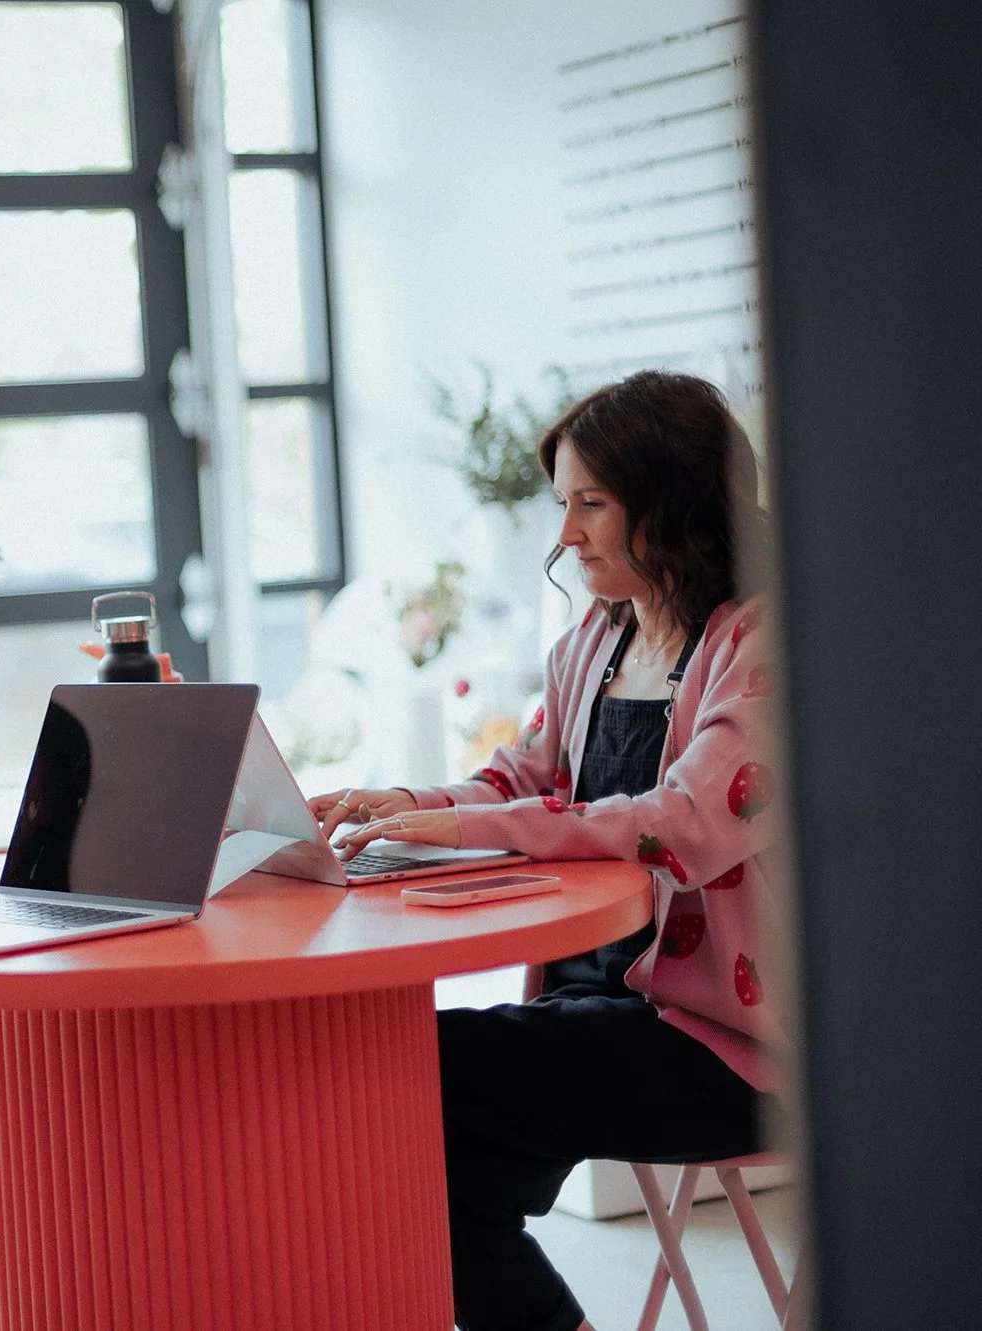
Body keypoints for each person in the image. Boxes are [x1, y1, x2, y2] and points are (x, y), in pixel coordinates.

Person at [309, 371, 782, 1331]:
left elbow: (682, 823)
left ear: (672, 496)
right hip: (596, 1007)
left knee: (405, 1080)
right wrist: (406, 803)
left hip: (728, 1045)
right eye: (562, 504)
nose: (564, 533)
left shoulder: (762, 642)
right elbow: (522, 784)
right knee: (414, 1160)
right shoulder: (593, 645)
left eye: (590, 504)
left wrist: (471, 826)